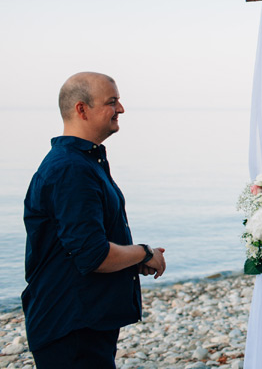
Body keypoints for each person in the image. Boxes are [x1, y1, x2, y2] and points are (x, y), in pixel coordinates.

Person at [22, 72, 167, 369]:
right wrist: (144, 252)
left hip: (85, 321)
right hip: (70, 324)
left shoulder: (84, 162)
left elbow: (79, 246)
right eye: (111, 102)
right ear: (81, 109)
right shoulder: (70, 168)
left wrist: (132, 261)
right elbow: (94, 255)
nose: (121, 109)